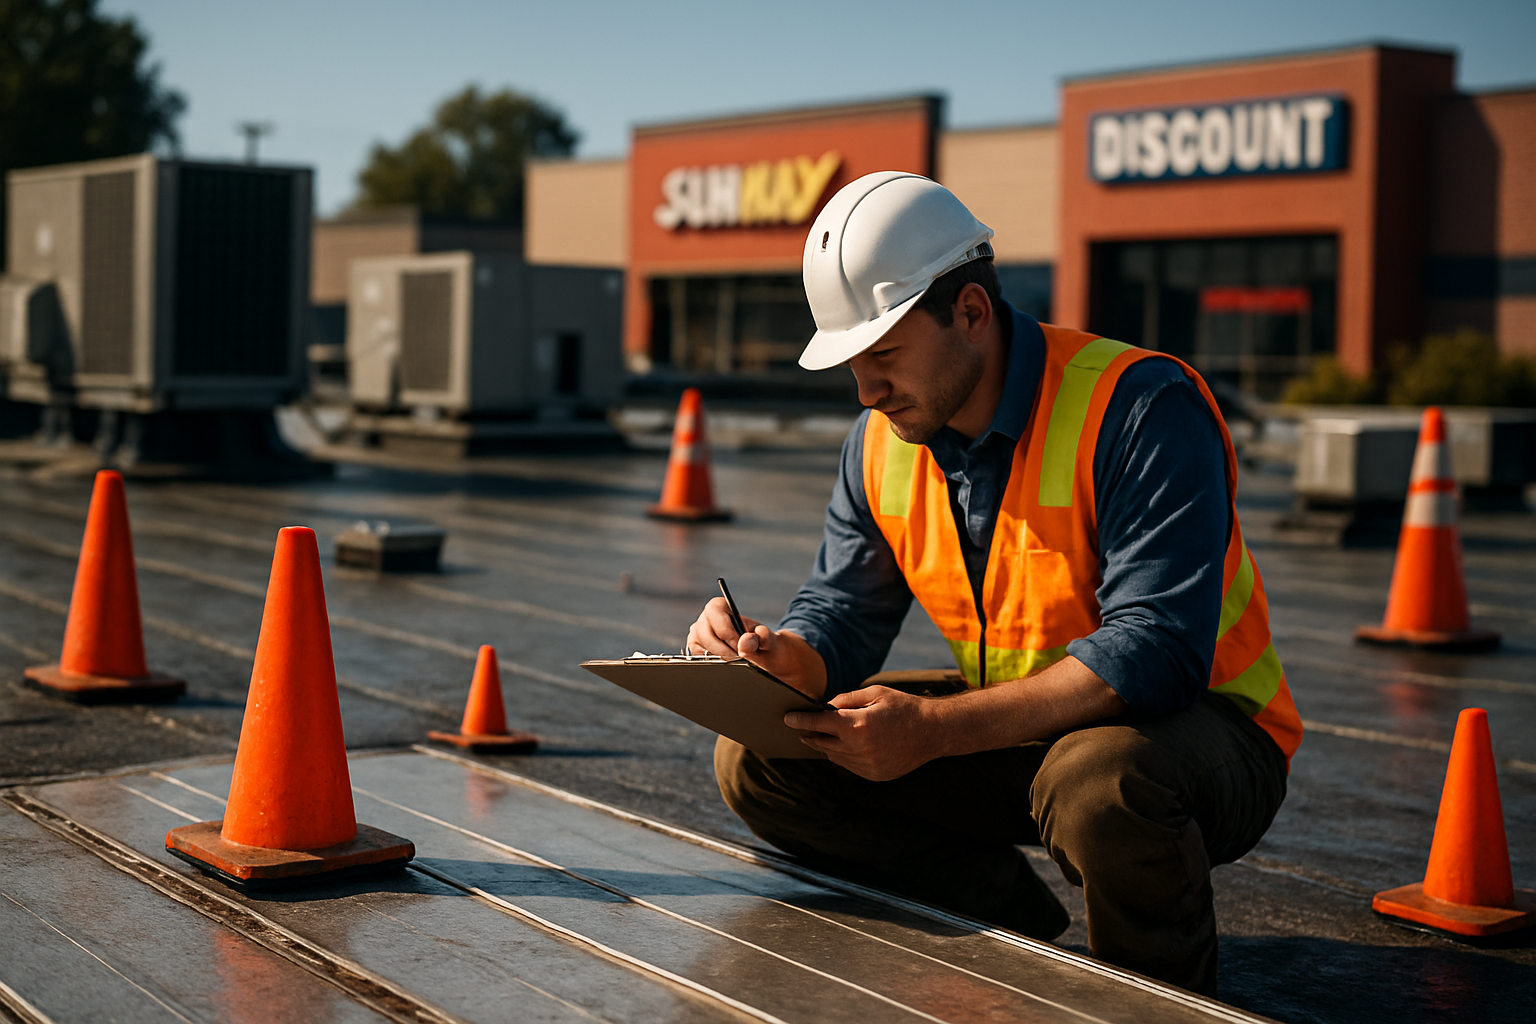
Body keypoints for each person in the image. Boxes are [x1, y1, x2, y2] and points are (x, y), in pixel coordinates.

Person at [685, 172, 1303, 995]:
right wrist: (782, 660)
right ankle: (1020, 938)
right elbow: (844, 611)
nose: (866, 393)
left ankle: (1162, 1003)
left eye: (884, 357)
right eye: (853, 366)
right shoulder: (879, 443)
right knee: (761, 756)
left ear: (971, 313)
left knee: (1093, 784)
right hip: (1018, 729)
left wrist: (934, 732)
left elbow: (1156, 653)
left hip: (1204, 734)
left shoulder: (1141, 406)